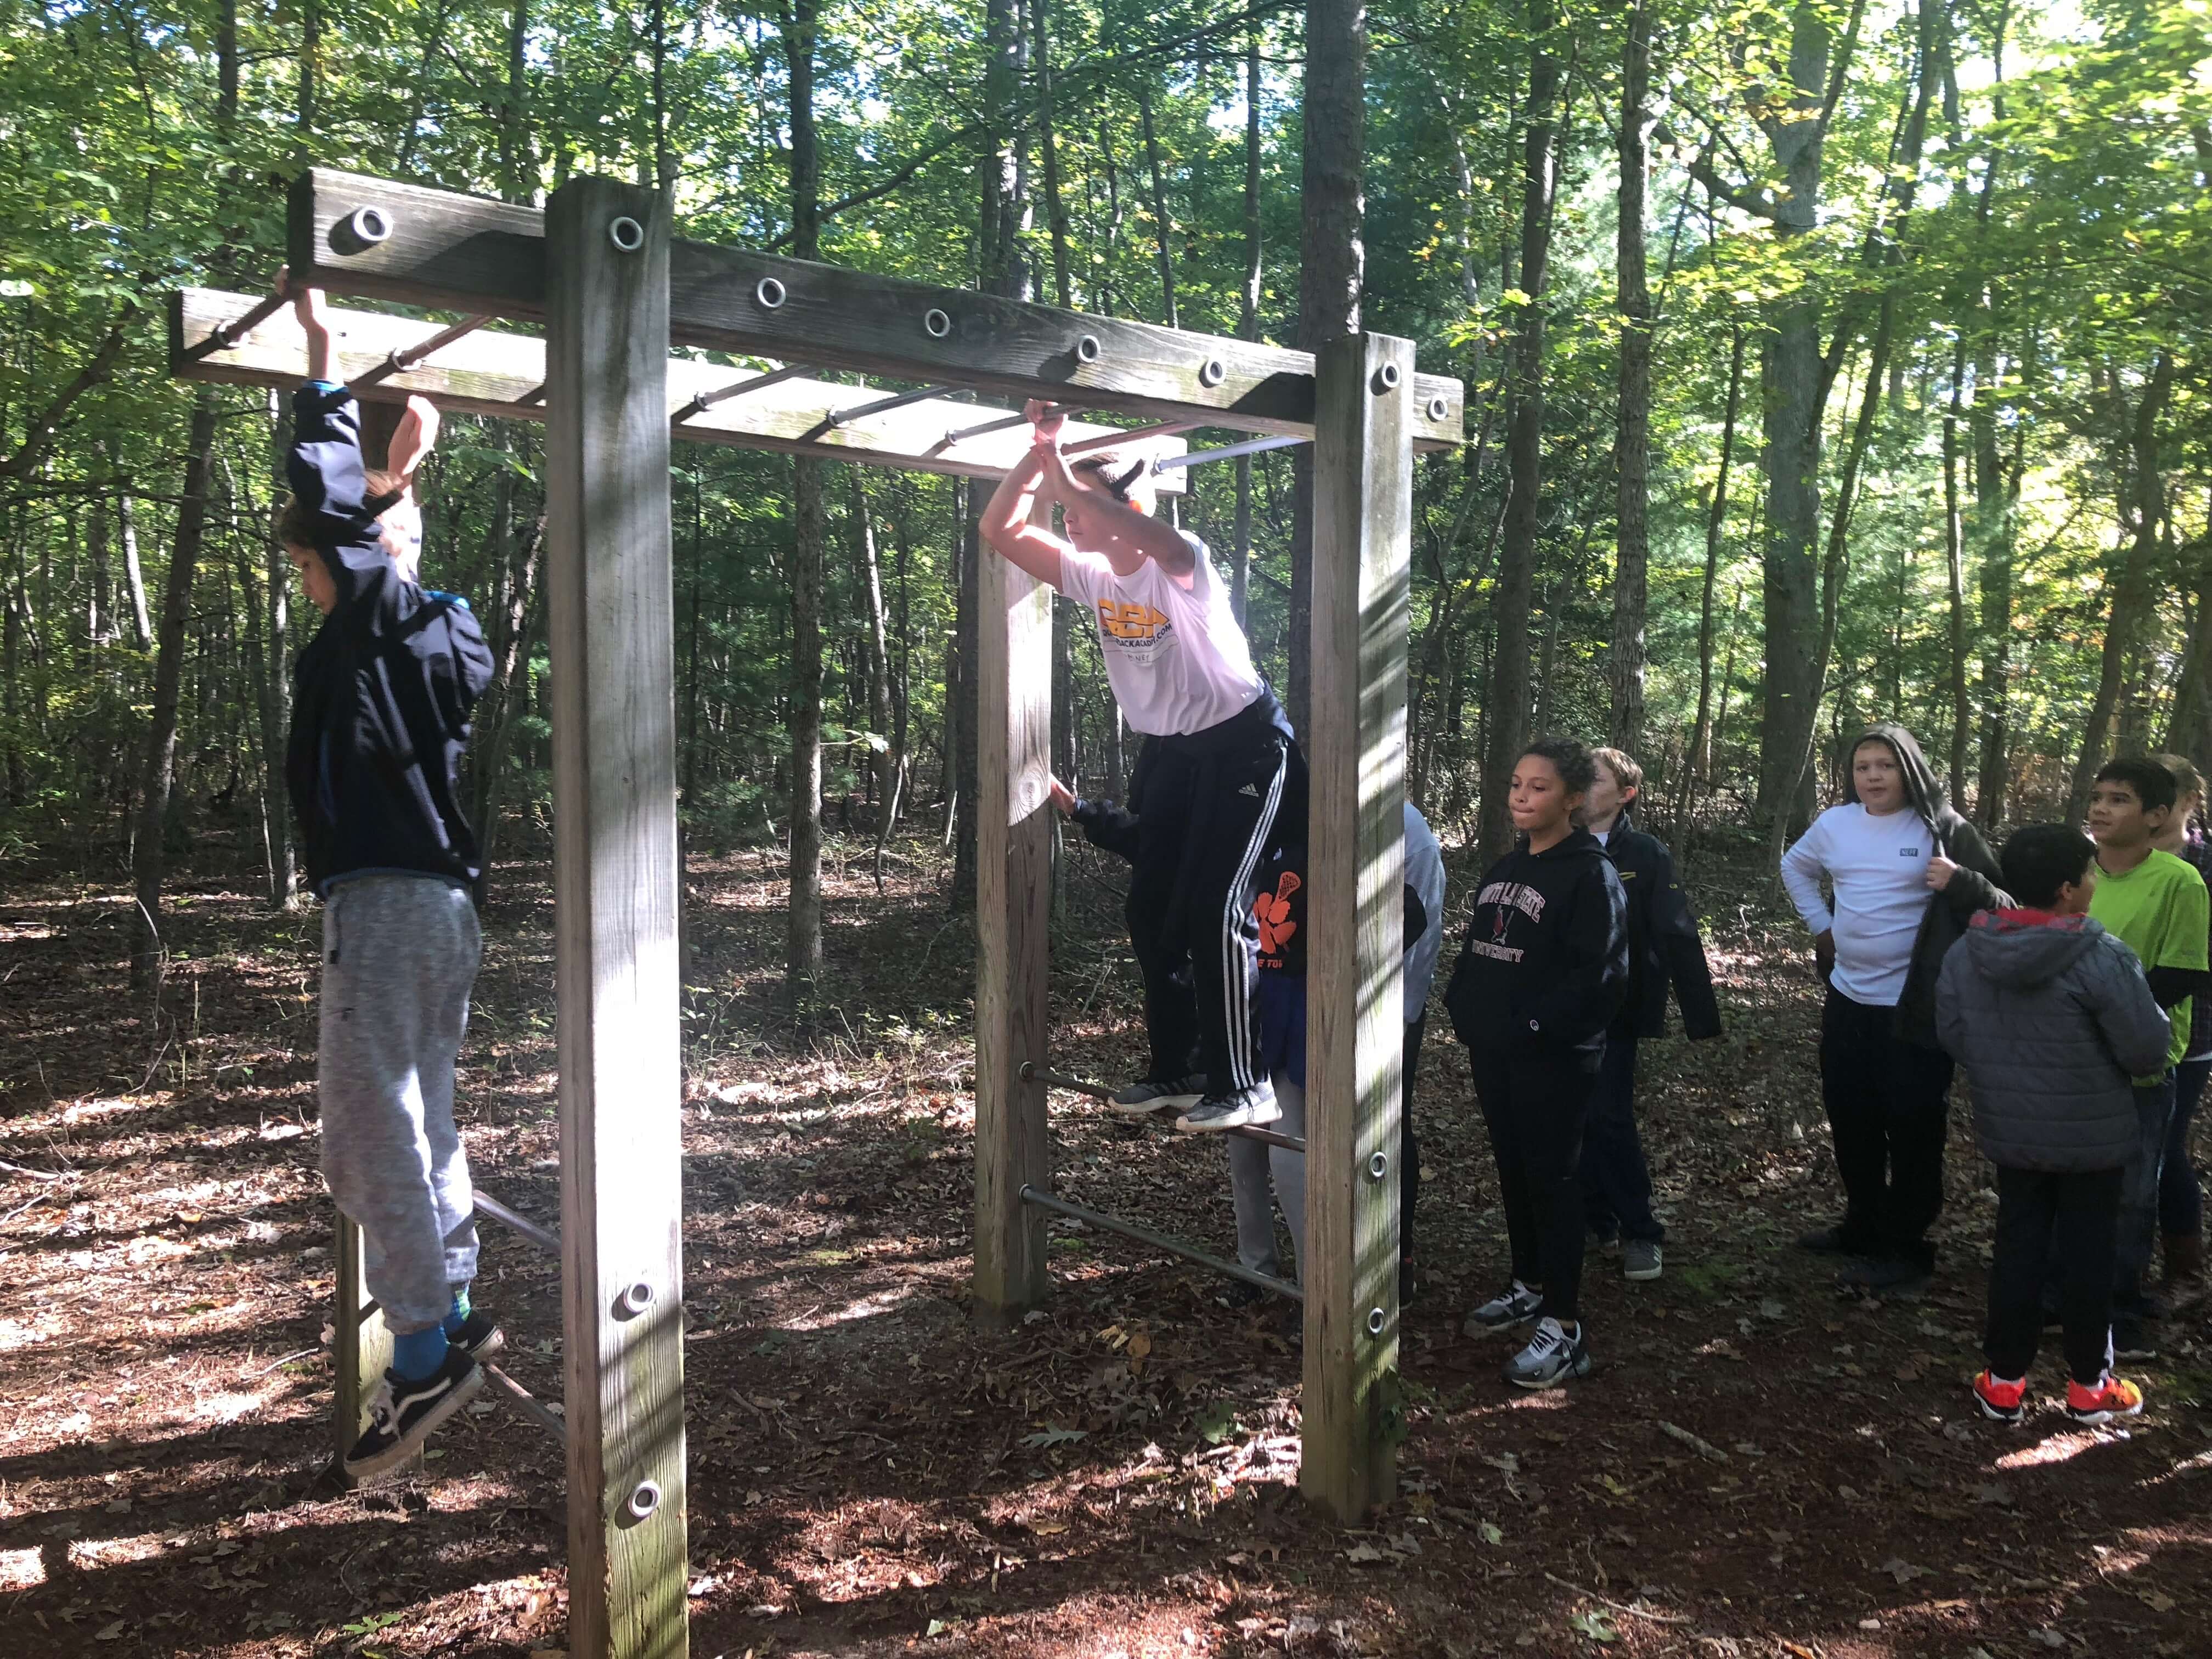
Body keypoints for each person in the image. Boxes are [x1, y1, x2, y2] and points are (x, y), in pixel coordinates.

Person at [279, 273, 499, 1480]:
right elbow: (364, 556)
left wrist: (325, 357)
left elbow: (348, 530)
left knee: (366, 1135)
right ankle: (451, 1307)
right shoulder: (436, 629)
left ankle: (422, 1357)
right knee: (417, 1114)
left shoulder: (383, 611)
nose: (306, 576)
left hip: (389, 902)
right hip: (435, 906)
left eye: (318, 559)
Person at [984, 405, 1293, 1133]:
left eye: (1082, 506)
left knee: (1219, 909)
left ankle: (1245, 1084)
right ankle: (1178, 1069)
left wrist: (1072, 482)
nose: (1071, 518)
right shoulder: (1095, 579)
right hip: (1176, 753)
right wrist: (1042, 453)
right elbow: (999, 531)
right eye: (1068, 507)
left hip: (1244, 747)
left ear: (1128, 504)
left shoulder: (1182, 568)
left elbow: (1156, 537)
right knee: (1152, 910)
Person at [1053, 783, 1447, 1308]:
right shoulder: (1254, 837)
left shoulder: (1345, 843)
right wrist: (1085, 812)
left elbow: (1408, 917)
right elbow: (1167, 847)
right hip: (1253, 1016)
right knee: (1243, 1148)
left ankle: (1317, 1291)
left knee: (1290, 1153)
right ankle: (1256, 1269)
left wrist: (1346, 975)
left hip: (1312, 1020)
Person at [1936, 823, 2168, 1426]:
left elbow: (1953, 1033)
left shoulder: (1968, 951)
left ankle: (2005, 1382)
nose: (2096, 883)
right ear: (2068, 889)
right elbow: (2147, 1050)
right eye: (2091, 873)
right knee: (2090, 1256)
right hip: (2093, 1141)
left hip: (2012, 1133)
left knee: (2018, 1249)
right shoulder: (2101, 954)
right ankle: (2091, 1386)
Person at [1779, 724, 2007, 1296]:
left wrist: (1961, 880)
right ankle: (1863, 1225)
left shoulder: (1943, 828)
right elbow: (1795, 868)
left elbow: (2005, 902)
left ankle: (1908, 1248)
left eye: (1884, 765)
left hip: (1917, 1008)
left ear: (1909, 769)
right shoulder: (1835, 824)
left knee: (1912, 1126)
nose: (1873, 776)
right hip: (1849, 999)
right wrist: (1821, 927)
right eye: (1862, 767)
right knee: (1852, 1116)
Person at [1444, 739, 1629, 1388]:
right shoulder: (1505, 868)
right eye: (1517, 785)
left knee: (1554, 1181)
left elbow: (1600, 977)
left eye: (1539, 787)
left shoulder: (1589, 874)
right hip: (1495, 1054)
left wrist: (1533, 1025)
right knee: (1515, 1172)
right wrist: (1462, 1005)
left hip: (1555, 1060)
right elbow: (1477, 951)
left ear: (1573, 799)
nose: (1522, 797)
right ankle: (1528, 1284)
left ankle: (1566, 1327)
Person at [2081, 757, 2211, 1357]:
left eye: (2120, 799)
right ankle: (2066, 1293)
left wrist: (2113, 1017)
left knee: (2134, 1190)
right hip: (2074, 1056)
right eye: (2098, 796)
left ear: (2158, 815)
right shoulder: (2076, 870)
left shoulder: (2180, 881)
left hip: (2143, 1060)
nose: (2102, 807)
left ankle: (2122, 1309)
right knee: (2072, 1180)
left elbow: (2182, 972)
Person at [1579, 748, 1722, 1282]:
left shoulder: (1646, 853)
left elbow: (1677, 931)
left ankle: (1642, 1231)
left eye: (1596, 780)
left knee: (1610, 1116)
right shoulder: (1553, 844)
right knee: (1573, 1118)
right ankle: (1596, 1219)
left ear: (1626, 794)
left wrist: (1699, 1015)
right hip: (1558, 1014)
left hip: (1618, 1008)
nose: (1584, 787)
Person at [2148, 754, 2210, 1303]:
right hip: (2104, 1027)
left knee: (2163, 1144)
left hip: (2190, 1031)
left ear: (2189, 801)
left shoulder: (2203, 867)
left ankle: (2186, 1272)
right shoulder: (2109, 861)